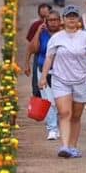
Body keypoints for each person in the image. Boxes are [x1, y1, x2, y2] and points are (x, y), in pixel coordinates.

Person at [39, 5, 86, 158]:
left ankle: (73, 146)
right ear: (63, 20)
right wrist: (43, 76)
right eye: (68, 16)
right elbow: (49, 58)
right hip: (60, 79)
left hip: (81, 79)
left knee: (76, 115)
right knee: (65, 112)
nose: (71, 19)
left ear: (78, 19)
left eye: (74, 16)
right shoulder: (56, 38)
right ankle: (64, 146)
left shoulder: (85, 37)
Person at [28, 10, 63, 140]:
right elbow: (33, 49)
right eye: (50, 20)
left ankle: (60, 126)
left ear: (60, 21)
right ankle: (52, 128)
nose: (53, 23)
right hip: (43, 70)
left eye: (55, 20)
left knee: (60, 100)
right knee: (48, 100)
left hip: (61, 72)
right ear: (46, 22)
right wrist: (38, 31)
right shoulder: (42, 34)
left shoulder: (64, 35)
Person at [25, 3, 53, 98]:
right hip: (40, 59)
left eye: (47, 18)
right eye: (42, 17)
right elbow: (31, 47)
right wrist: (27, 63)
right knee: (37, 88)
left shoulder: (59, 28)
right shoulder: (36, 26)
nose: (45, 21)